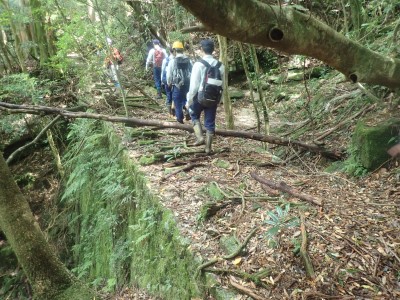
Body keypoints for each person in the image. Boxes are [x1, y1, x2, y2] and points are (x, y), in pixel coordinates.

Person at [186, 39, 225, 154]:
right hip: (213, 98)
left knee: (193, 114)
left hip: (200, 97)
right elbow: (223, 85)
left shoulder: (198, 64)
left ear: (202, 49)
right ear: (213, 50)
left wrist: (189, 100)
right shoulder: (221, 66)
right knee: (210, 122)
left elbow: (193, 86)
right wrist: (220, 99)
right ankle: (208, 148)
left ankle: (200, 138)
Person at [166, 41, 192, 124]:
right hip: (188, 84)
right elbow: (192, 72)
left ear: (174, 50)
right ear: (182, 49)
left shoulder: (172, 61)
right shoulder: (189, 61)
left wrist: (169, 83)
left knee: (177, 102)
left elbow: (169, 74)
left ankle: (180, 119)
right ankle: (188, 111)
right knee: (187, 99)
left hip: (177, 85)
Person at [161, 47, 175, 117]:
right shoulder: (176, 60)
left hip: (167, 80)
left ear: (169, 51)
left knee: (168, 95)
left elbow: (162, 70)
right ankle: (174, 111)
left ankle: (169, 113)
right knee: (174, 95)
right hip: (175, 81)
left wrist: (162, 80)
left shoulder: (165, 60)